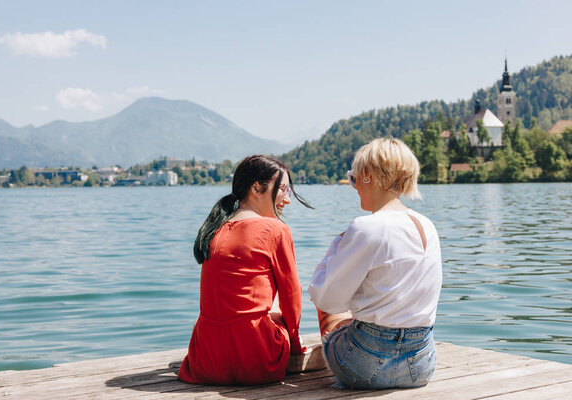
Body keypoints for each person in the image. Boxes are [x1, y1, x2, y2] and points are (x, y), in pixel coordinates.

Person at [308, 138, 443, 389]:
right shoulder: (427, 226)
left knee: (334, 305)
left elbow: (324, 297)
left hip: (363, 366)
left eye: (354, 178)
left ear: (368, 174)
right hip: (420, 367)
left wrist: (337, 246)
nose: (355, 186)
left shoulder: (366, 227)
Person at [178, 155, 314, 385]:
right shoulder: (275, 229)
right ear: (256, 188)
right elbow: (292, 296)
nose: (287, 200)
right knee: (277, 301)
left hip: (205, 362)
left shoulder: (214, 229)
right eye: (282, 189)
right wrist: (294, 344)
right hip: (258, 361)